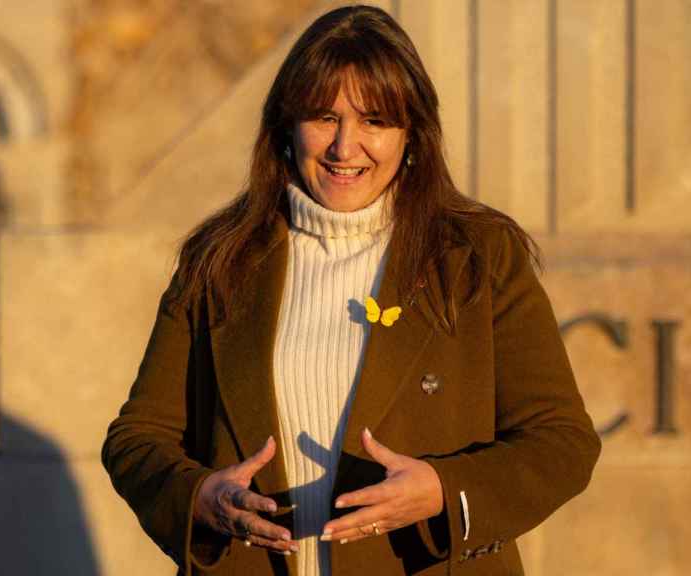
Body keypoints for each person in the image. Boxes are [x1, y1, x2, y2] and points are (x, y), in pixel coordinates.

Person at [102, 5, 600, 575]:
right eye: (323, 117)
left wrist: (442, 490)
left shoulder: (480, 256)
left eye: (375, 121)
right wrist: (201, 498)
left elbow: (562, 443)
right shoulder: (218, 259)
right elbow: (137, 439)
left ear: (413, 134)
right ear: (286, 127)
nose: (345, 147)